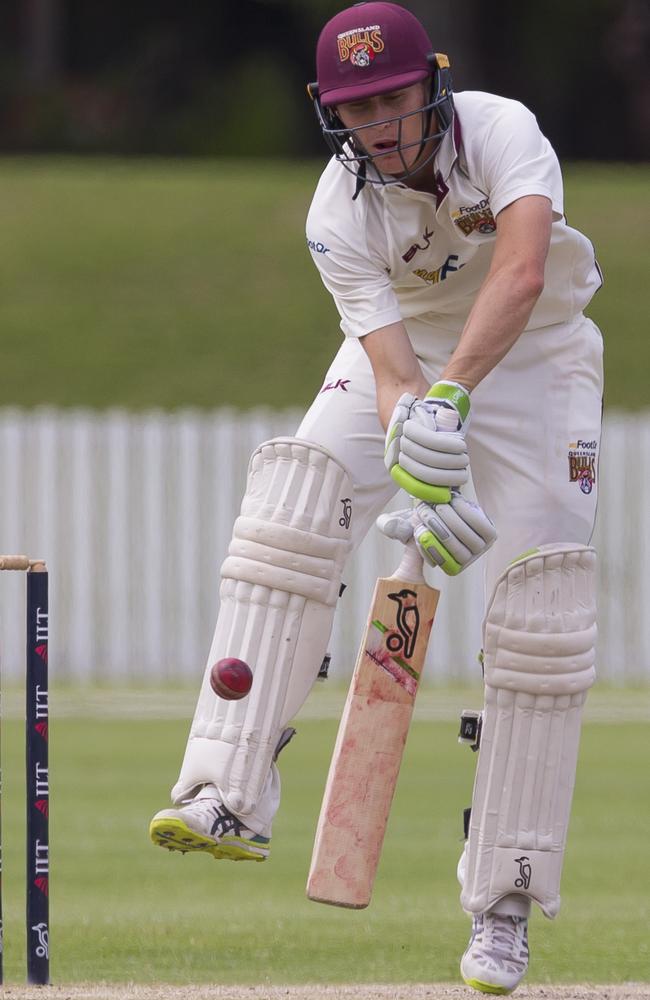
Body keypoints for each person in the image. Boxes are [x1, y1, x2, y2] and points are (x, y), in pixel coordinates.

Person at [150, 2, 603, 994]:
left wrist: (449, 400)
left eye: (395, 99)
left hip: (540, 363)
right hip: (417, 365)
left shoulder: (502, 130)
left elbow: (522, 272)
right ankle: (224, 784)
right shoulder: (334, 211)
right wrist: (417, 443)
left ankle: (503, 905)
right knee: (296, 500)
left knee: (542, 610)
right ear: (331, 112)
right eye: (358, 109)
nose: (381, 126)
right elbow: (389, 371)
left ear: (431, 85)